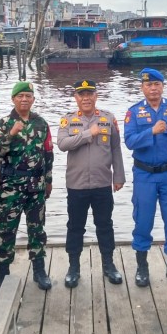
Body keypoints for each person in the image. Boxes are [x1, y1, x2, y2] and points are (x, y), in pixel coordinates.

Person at [124, 68, 167, 288]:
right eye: (148, 85)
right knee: (143, 220)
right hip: (144, 174)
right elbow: (129, 141)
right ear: (142, 88)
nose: (153, 88)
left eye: (157, 84)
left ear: (163, 86)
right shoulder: (134, 112)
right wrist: (151, 132)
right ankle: (142, 267)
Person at [57, 79, 126, 288]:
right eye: (81, 94)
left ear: (96, 95)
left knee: (105, 225)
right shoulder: (67, 120)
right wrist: (88, 134)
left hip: (102, 183)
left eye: (90, 94)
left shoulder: (108, 118)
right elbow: (62, 144)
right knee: (75, 227)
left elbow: (116, 149)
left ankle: (109, 265)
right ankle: (73, 267)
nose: (86, 98)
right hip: (76, 185)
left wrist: (119, 176)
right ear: (76, 97)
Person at [0, 81, 54, 294]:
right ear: (13, 99)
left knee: (37, 228)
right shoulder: (4, 123)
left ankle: (39, 271)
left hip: (36, 186)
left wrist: (49, 180)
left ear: (33, 99)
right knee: (7, 230)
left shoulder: (41, 123)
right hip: (11, 187)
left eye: (28, 96)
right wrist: (11, 135)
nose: (24, 99)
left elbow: (48, 153)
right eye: (20, 96)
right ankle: (2, 274)